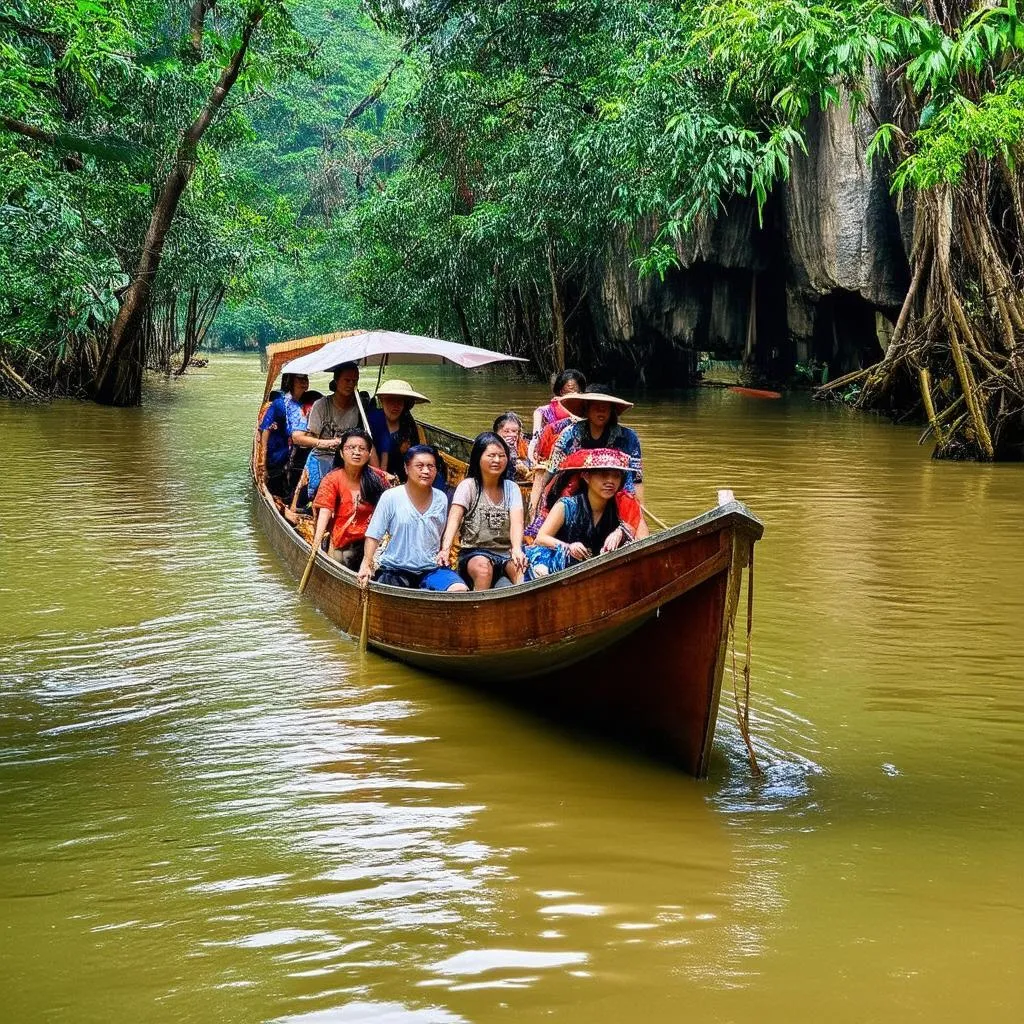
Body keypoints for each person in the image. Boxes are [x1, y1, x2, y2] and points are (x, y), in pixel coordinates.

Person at [358, 445, 468, 591]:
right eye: (420, 466)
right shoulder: (391, 497)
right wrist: (366, 564)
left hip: (430, 568)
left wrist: (445, 550)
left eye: (431, 466)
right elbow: (374, 534)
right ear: (406, 468)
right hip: (395, 569)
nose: (426, 471)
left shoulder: (441, 498)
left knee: (459, 589)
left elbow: (440, 533)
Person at [525, 448, 649, 579]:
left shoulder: (621, 505)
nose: (610, 481)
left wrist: (621, 532)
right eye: (603, 475)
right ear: (586, 476)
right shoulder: (566, 505)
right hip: (559, 568)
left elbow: (642, 540)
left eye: (616, 476)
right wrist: (568, 547)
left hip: (596, 569)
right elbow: (541, 538)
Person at [439, 432, 527, 590]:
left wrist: (517, 549)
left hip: (506, 552)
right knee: (483, 569)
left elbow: (517, 523)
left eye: (501, 456)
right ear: (479, 458)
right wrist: (445, 549)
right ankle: (477, 611)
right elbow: (454, 520)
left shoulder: (511, 488)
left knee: (523, 571)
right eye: (491, 455)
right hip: (474, 552)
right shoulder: (469, 486)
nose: (497, 460)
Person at [309, 429, 390, 570]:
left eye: (362, 448)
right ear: (341, 452)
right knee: (341, 558)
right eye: (351, 448)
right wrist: (316, 543)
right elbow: (325, 511)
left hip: (373, 541)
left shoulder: (378, 478)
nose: (356, 452)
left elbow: (389, 511)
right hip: (343, 540)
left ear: (369, 453)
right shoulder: (332, 479)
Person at [292, 362, 364, 500]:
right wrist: (329, 443)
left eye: (354, 381)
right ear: (336, 381)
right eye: (347, 380)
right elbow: (303, 438)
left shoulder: (359, 407)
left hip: (348, 459)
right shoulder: (321, 405)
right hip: (322, 456)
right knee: (316, 497)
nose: (350, 384)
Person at [258, 373, 309, 497]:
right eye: (300, 379)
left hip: (296, 456)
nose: (304, 382)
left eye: (305, 378)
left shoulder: (307, 404)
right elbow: (265, 429)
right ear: (291, 381)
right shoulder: (280, 404)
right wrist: (262, 465)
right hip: (277, 455)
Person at [368, 379, 429, 480]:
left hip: (403, 476)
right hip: (374, 476)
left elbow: (415, 454)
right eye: (391, 400)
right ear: (382, 401)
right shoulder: (371, 421)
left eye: (399, 401)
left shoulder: (408, 423)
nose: (395, 406)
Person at [529, 368, 586, 453]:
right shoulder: (542, 412)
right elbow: (535, 438)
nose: (571, 396)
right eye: (567, 392)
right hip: (552, 453)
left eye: (576, 392)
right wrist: (531, 454)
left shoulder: (587, 412)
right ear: (560, 392)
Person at [492, 412, 532, 483]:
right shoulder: (491, 445)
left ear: (519, 432)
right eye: (506, 431)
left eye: (514, 431)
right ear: (496, 433)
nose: (511, 434)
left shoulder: (523, 444)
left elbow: (529, 464)